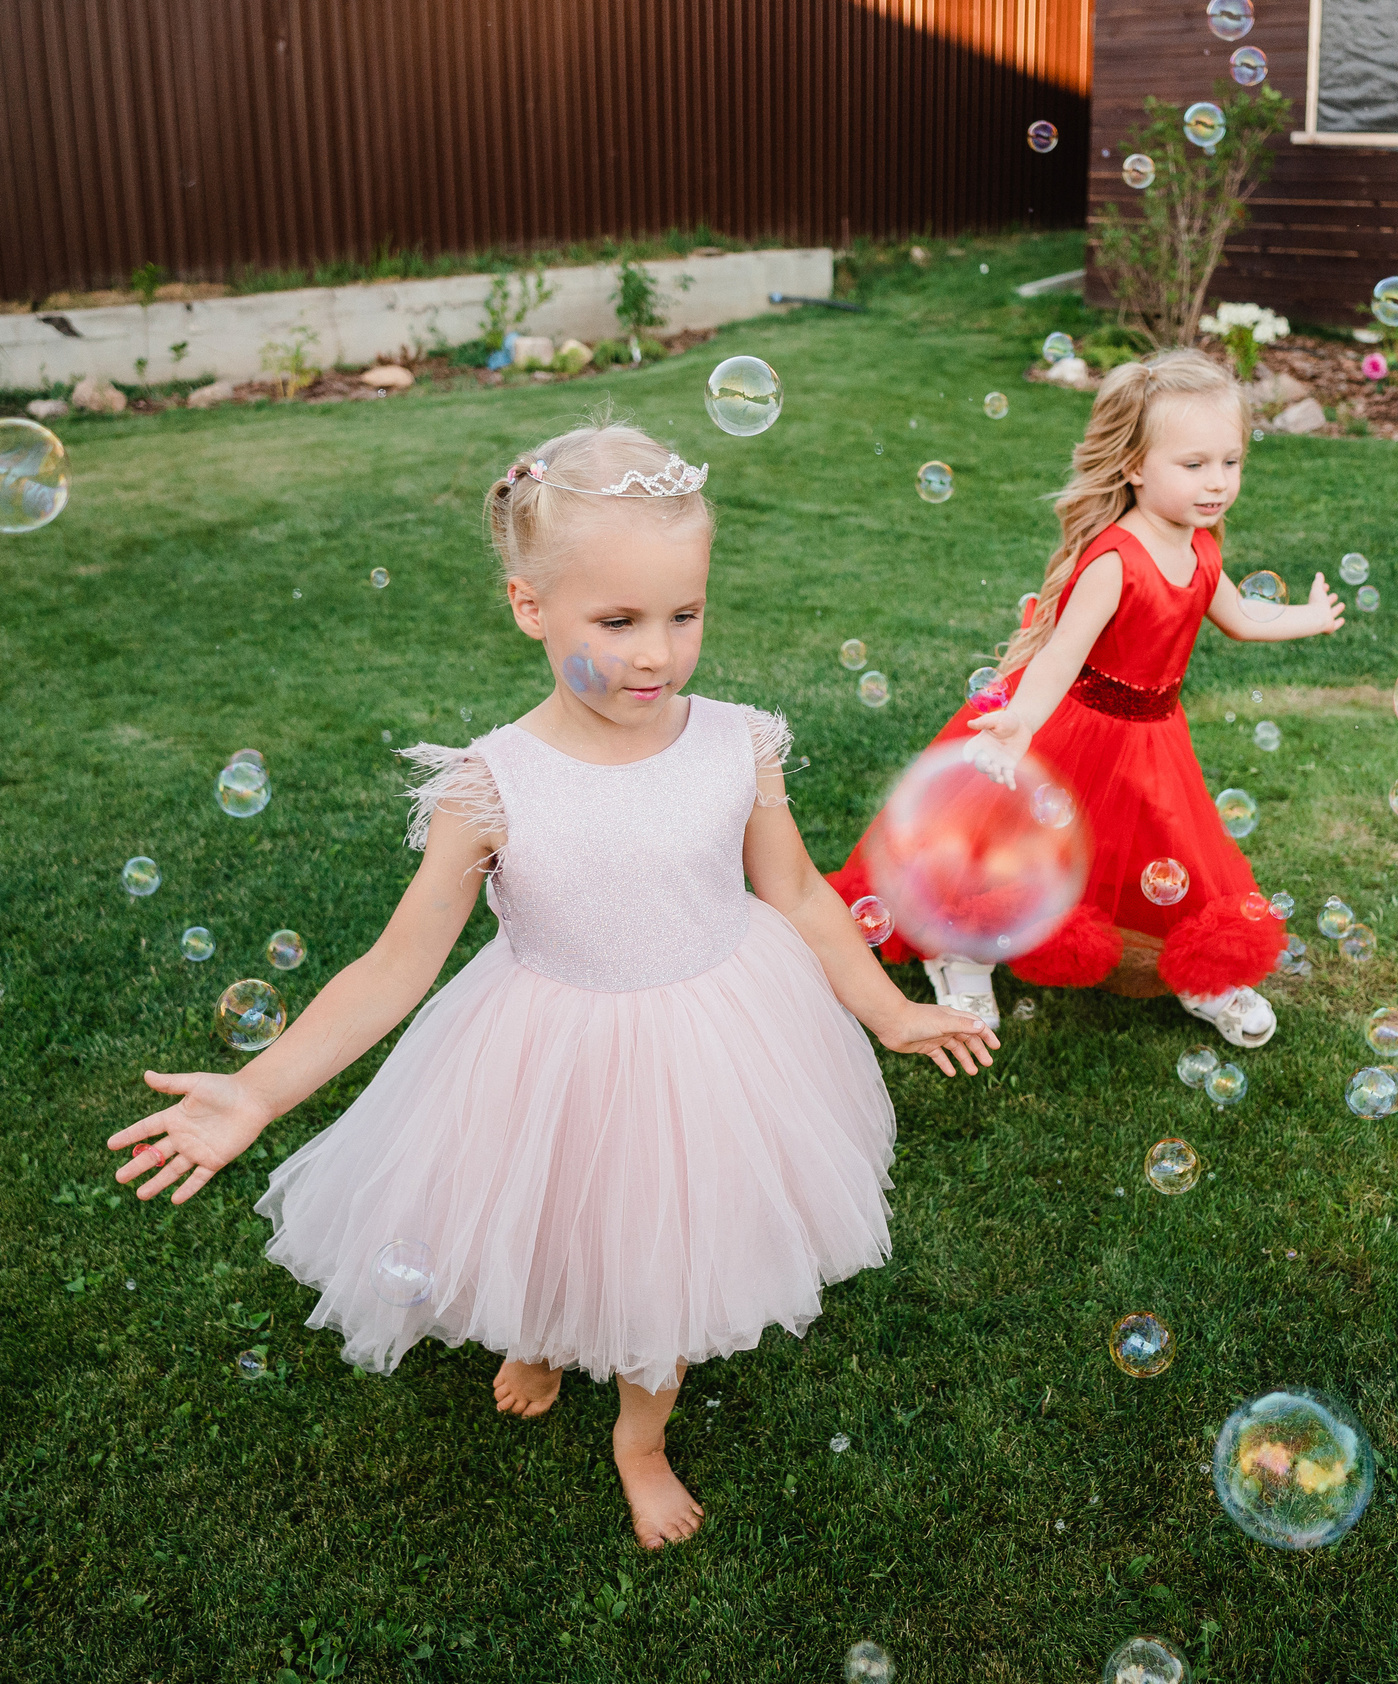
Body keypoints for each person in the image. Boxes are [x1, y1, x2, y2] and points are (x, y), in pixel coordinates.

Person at [106, 419, 997, 1550]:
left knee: (663, 1249)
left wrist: (887, 1008)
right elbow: (395, 967)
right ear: (531, 606)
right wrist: (259, 1089)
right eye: (617, 620)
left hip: (714, 1041)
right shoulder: (494, 785)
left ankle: (639, 1434)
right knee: (545, 1210)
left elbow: (803, 896)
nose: (656, 655)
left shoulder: (736, 744)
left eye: (685, 614)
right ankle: (539, 1327)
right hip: (544, 1044)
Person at [827, 350, 1344, 1045]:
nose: (1217, 482)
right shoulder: (1115, 560)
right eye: (1193, 465)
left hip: (1153, 735)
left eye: (1231, 461)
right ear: (1133, 464)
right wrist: (1019, 727)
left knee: (1171, 850)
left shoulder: (1201, 546)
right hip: (1073, 726)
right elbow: (1059, 657)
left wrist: (1308, 616)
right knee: (1009, 851)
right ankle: (960, 956)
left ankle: (1201, 972)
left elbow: (1244, 617)